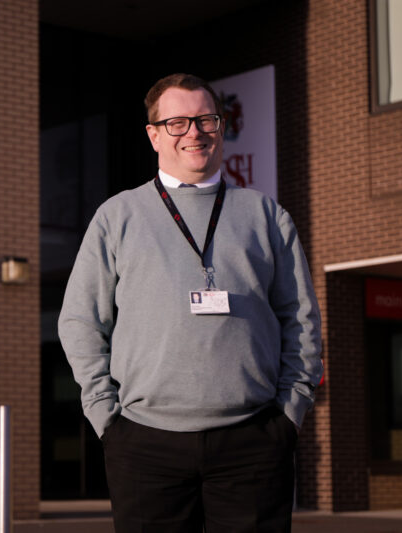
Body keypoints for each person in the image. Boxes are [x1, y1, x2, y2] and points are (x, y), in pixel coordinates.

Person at [58, 73, 323, 533]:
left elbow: (301, 319)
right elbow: (80, 320)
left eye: (205, 120)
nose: (195, 133)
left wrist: (289, 414)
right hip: (143, 444)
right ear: (154, 135)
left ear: (220, 127)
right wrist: (108, 419)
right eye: (178, 122)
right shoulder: (117, 216)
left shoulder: (266, 215)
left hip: (254, 442)